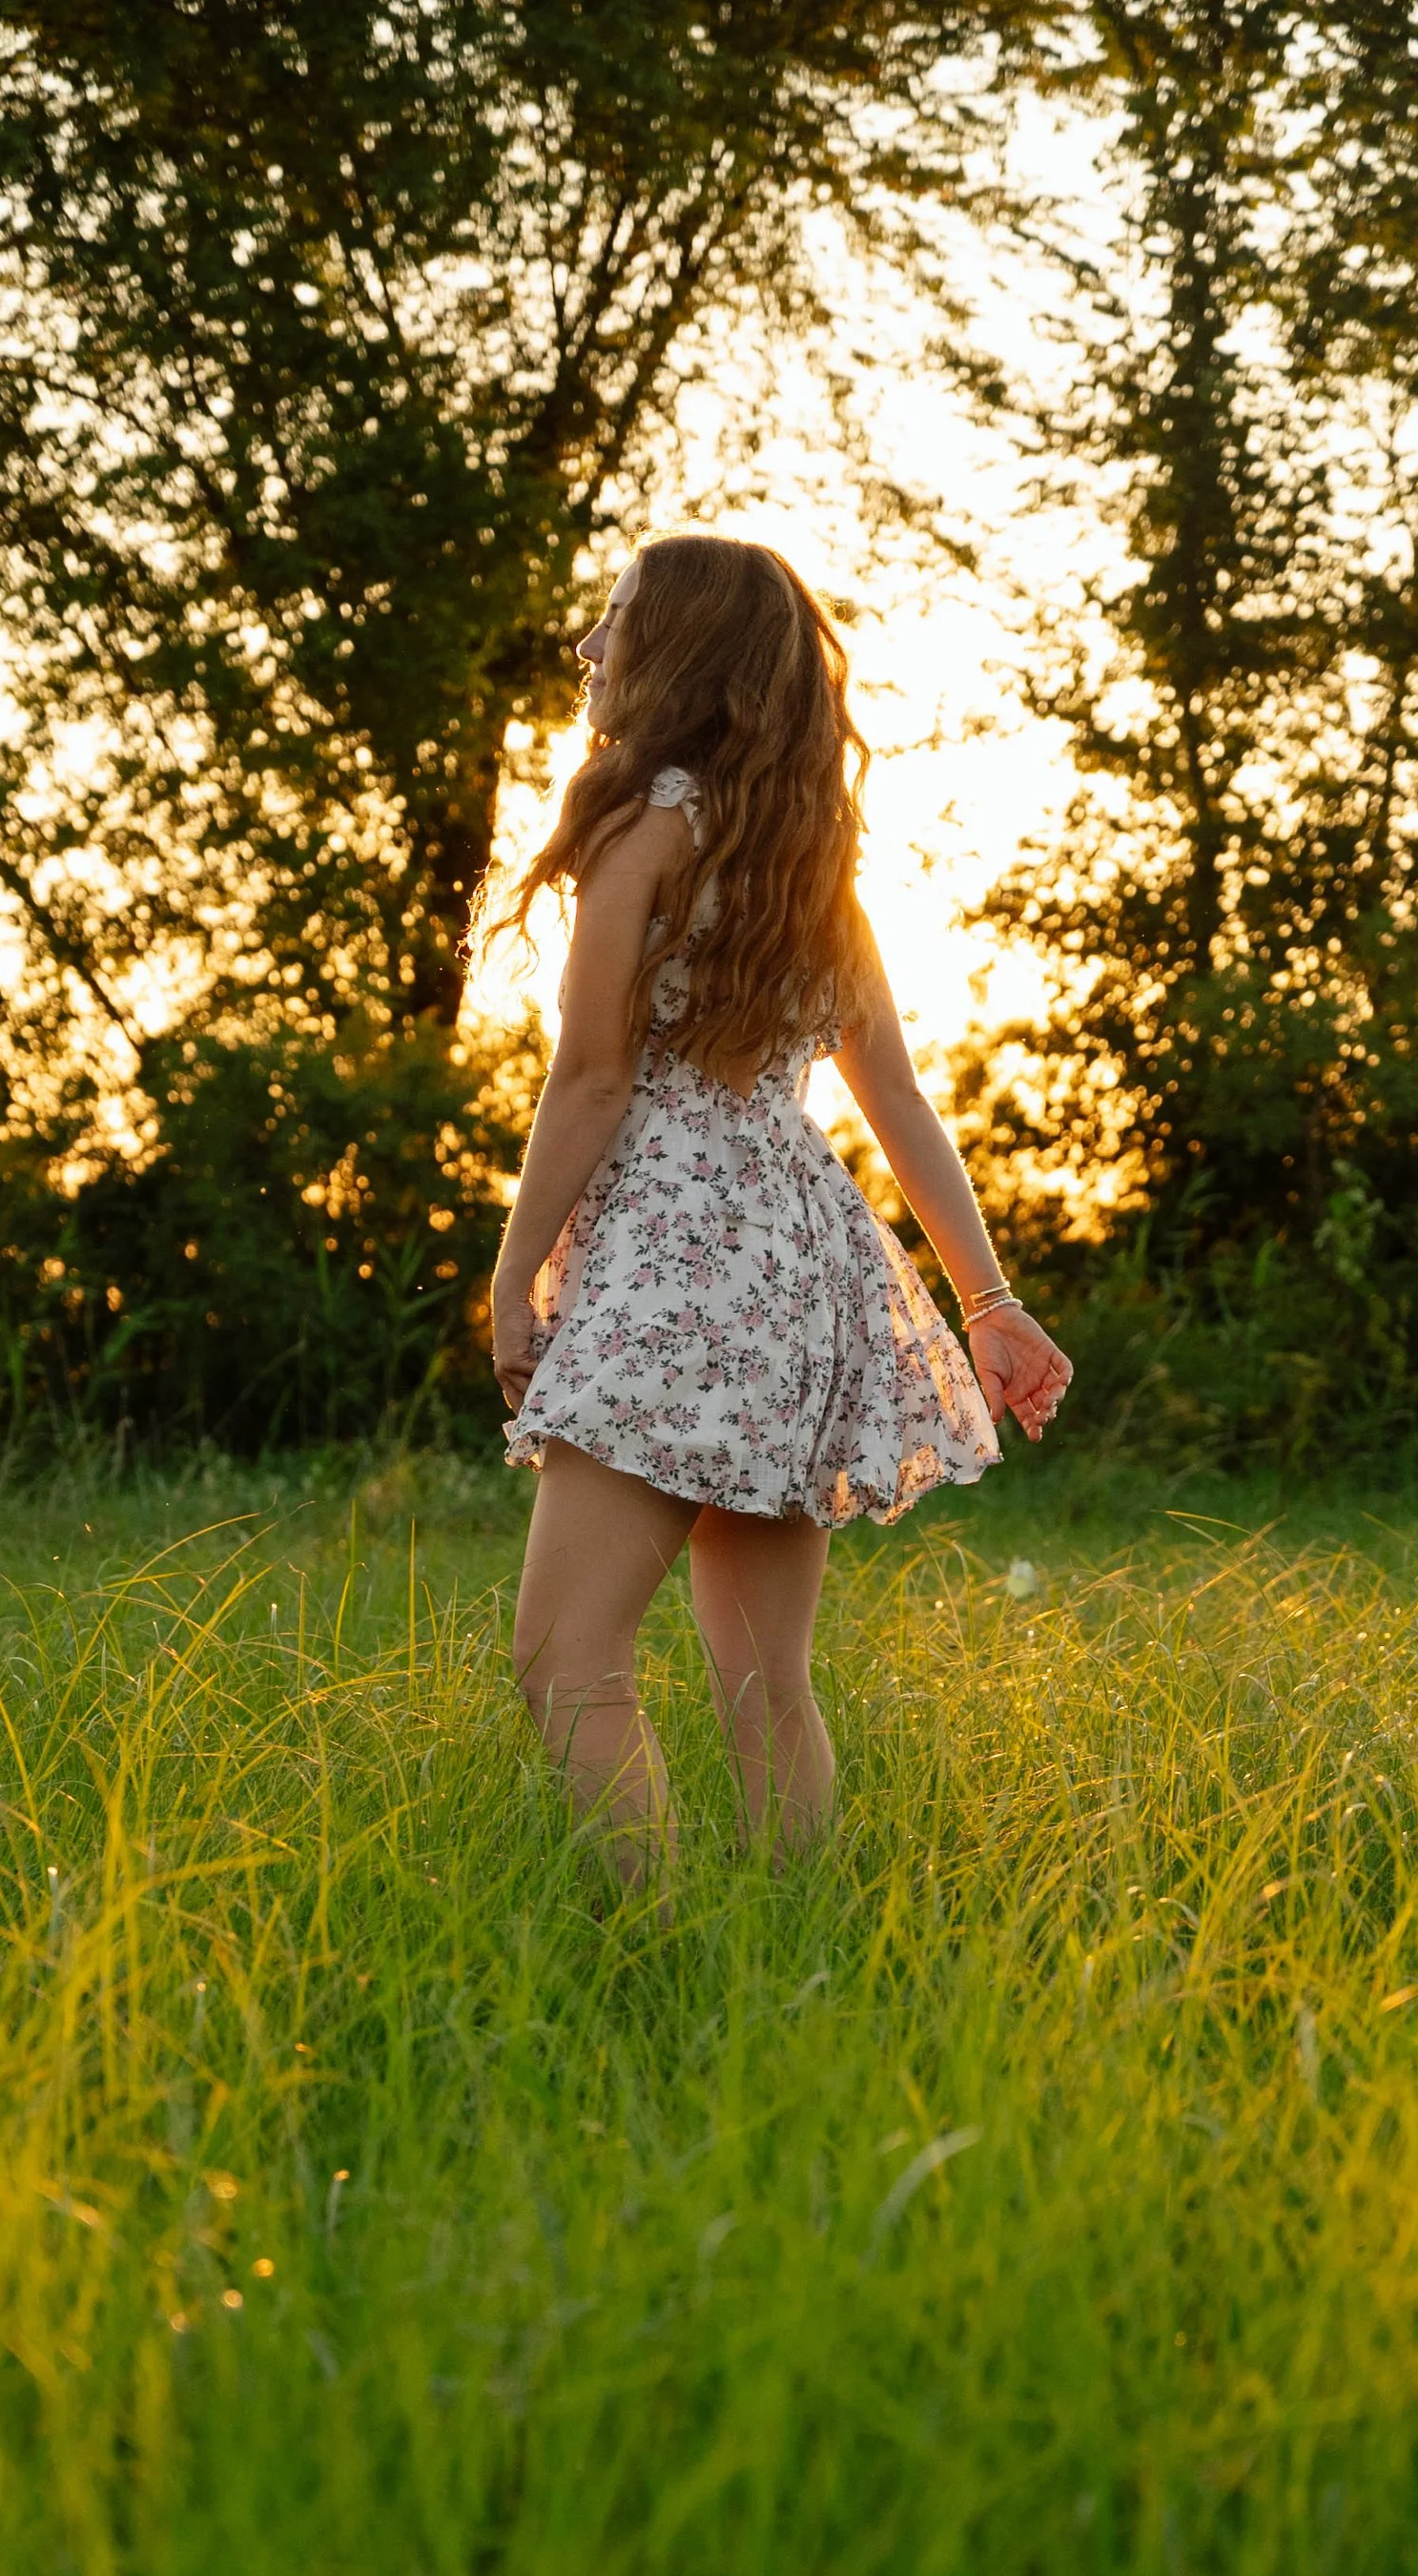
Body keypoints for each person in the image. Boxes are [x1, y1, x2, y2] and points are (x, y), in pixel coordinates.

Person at [485, 531, 1072, 1879]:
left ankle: (667, 1950)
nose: (590, 646)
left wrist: (515, 1276)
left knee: (566, 1658)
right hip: (805, 1260)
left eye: (616, 619)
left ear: (678, 647)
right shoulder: (808, 849)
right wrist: (988, 1300)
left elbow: (589, 1078)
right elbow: (898, 1100)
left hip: (674, 1257)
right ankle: (791, 1963)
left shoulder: (643, 825)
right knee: (766, 1686)